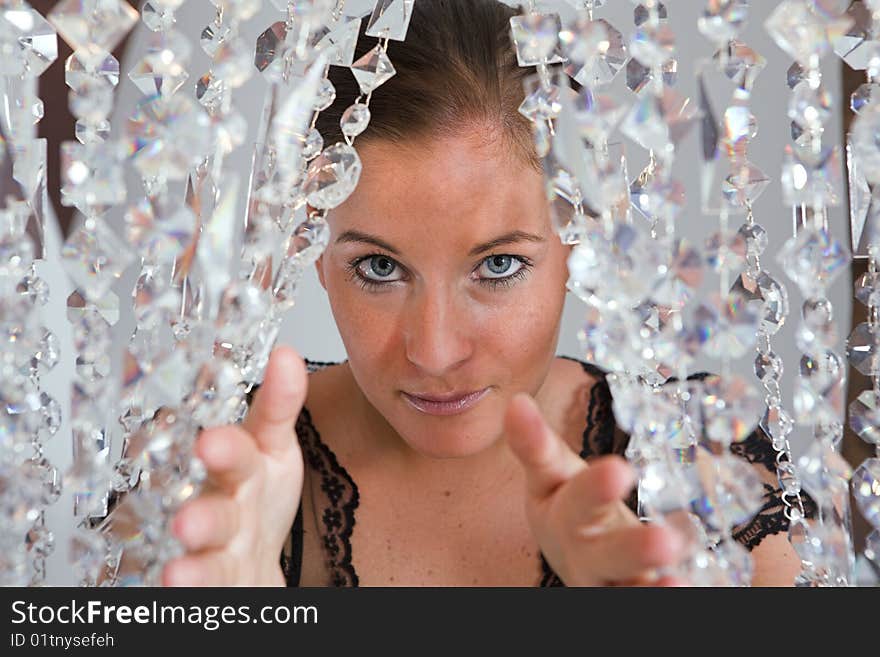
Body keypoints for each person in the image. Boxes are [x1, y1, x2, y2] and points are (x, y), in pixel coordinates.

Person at [161, 0, 808, 587]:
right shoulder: (219, 475)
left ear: (574, 239)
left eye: (497, 264)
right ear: (315, 250)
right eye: (379, 268)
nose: (436, 351)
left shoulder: (702, 462)